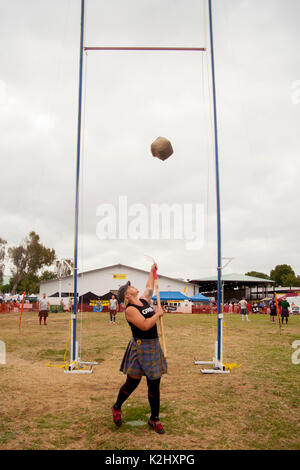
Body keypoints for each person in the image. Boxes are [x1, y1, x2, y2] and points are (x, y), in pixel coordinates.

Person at [112, 264, 167, 434]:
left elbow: (149, 287)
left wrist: (152, 272)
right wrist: (157, 314)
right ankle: (116, 407)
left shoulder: (144, 301)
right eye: (130, 287)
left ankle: (154, 419)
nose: (133, 286)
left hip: (153, 346)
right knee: (132, 382)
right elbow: (144, 325)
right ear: (127, 294)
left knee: (154, 383)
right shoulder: (130, 310)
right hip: (140, 347)